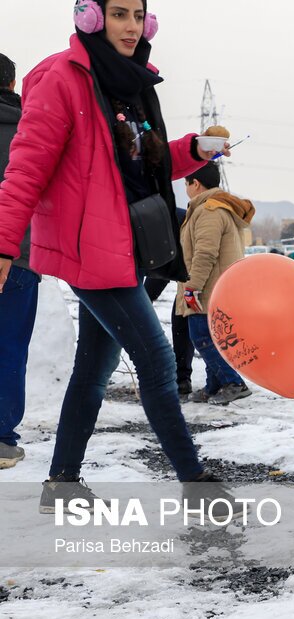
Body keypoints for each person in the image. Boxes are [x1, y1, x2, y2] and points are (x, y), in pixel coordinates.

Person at [0, 0, 235, 508]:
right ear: (91, 18)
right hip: (89, 249)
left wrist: (194, 149)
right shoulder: (64, 80)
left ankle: (61, 484)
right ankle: (196, 485)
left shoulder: (131, 83)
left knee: (93, 366)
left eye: (138, 15)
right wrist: (3, 244)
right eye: (119, 14)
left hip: (123, 243)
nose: (131, 27)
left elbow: (140, 165)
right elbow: (26, 168)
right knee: (155, 359)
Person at [176, 162, 254, 406]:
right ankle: (214, 385)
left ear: (195, 183)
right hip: (221, 285)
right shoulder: (217, 208)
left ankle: (234, 382)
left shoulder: (208, 211)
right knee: (213, 337)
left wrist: (192, 286)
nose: (186, 188)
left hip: (209, 287)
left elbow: (205, 253)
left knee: (201, 336)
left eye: (186, 183)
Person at [0, 52, 34, 470]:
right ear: (12, 84)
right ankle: (3, 440)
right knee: (10, 348)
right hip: (21, 257)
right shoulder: (31, 130)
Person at [143, 207, 195, 396]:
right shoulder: (152, 216)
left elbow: (162, 267)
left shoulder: (157, 221)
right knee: (184, 321)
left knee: (184, 320)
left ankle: (183, 378)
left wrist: (145, 298)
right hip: (187, 266)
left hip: (193, 269)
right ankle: (182, 378)